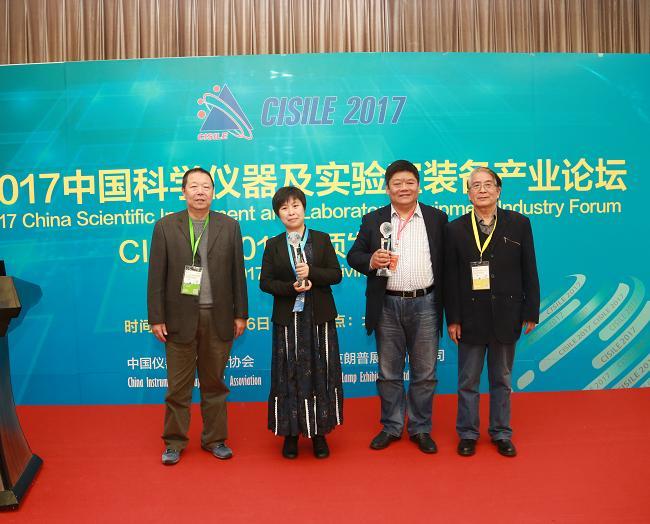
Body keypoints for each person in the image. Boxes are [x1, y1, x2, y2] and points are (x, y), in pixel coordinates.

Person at [147, 167, 248, 465]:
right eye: (194, 186)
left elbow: (238, 274)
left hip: (218, 318)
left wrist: (241, 314)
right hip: (178, 319)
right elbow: (156, 277)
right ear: (184, 192)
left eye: (206, 186)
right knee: (178, 388)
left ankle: (215, 439)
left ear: (214, 192)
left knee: (215, 384)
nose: (200, 191)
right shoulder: (165, 226)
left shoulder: (229, 226)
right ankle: (174, 442)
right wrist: (156, 317)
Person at [347, 160, 447, 454]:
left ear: (419, 186)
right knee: (388, 372)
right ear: (387, 188)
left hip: (426, 303)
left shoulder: (437, 218)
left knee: (425, 373)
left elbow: (448, 263)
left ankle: (420, 428)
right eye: (397, 183)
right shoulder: (373, 219)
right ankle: (391, 426)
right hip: (387, 305)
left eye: (409, 182)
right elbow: (354, 256)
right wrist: (370, 260)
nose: (404, 188)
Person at [444, 167, 540, 458]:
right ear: (468, 194)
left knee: (502, 379)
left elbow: (529, 268)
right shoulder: (455, 228)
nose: (482, 190)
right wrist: (453, 319)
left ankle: (501, 432)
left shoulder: (519, 223)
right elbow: (450, 277)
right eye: (476, 186)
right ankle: (468, 433)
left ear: (498, 190)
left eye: (488, 185)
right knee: (468, 382)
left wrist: (531, 310)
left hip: (507, 315)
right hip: (470, 317)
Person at [260, 186, 344, 459]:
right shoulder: (273, 245)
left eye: (295, 205)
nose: (291, 212)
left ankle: (319, 433)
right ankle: (291, 434)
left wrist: (312, 273)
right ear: (278, 214)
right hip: (288, 321)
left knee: (321, 372)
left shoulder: (321, 239)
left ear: (304, 208)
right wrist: (290, 288)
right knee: (288, 374)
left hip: (318, 318)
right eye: (284, 208)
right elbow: (265, 283)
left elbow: (336, 275)